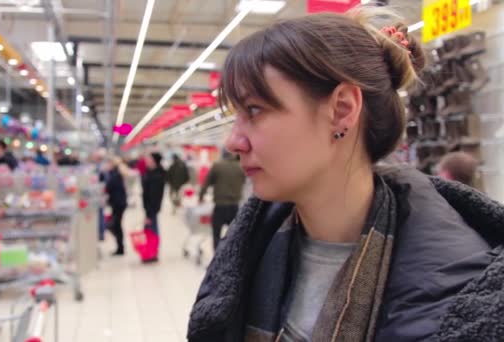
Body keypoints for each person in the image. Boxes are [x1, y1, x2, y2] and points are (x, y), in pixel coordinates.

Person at [188, 8, 504, 342]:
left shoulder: (461, 288)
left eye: (254, 110)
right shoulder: (247, 258)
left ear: (342, 110)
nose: (233, 141)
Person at [198, 151, 245, 250]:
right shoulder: (240, 167)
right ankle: (232, 255)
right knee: (234, 235)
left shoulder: (217, 166)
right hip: (234, 206)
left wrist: (201, 196)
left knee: (216, 234)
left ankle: (216, 257)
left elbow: (206, 183)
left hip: (220, 205)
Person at [105, 157, 128, 256]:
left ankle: (120, 248)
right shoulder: (117, 173)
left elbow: (109, 187)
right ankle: (120, 247)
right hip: (119, 202)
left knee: (116, 225)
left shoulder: (115, 174)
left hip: (118, 203)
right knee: (117, 225)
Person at [142, 153, 166, 235]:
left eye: (149, 158)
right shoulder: (151, 172)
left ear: (154, 161)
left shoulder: (156, 176)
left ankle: (152, 247)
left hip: (151, 209)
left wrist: (149, 214)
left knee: (151, 232)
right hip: (150, 209)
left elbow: (153, 197)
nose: (146, 160)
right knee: (150, 231)